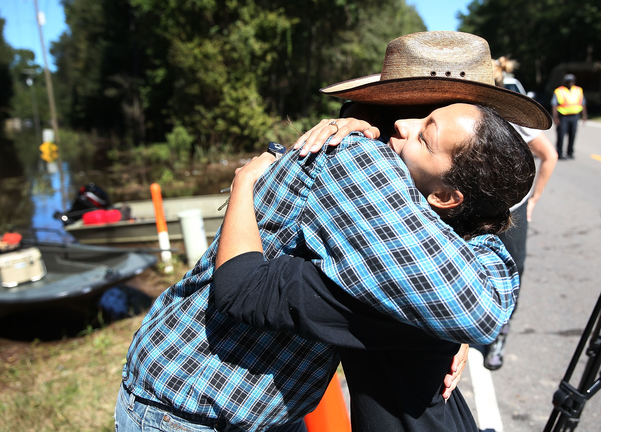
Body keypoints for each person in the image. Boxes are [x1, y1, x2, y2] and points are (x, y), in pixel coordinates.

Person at [115, 31, 551, 432]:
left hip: (250, 405)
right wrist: (450, 327)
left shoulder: (397, 168)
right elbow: (477, 307)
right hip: (191, 409)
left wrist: (445, 333)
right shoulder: (361, 162)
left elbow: (441, 280)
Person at [212, 98, 547, 431]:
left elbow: (241, 287)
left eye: (424, 137)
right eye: (418, 113)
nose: (404, 125)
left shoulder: (397, 277)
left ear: (445, 197)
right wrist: (358, 117)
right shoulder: (465, 256)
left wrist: (244, 182)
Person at [481, 58, 559, 371]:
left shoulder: (513, 114)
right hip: (472, 209)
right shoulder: (457, 112)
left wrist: (534, 200)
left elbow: (549, 156)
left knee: (512, 270)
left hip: (512, 210)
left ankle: (500, 331)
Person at [551, 73, 587, 159]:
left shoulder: (578, 90)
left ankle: (570, 152)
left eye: (572, 81)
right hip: (563, 116)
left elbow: (583, 103)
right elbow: (554, 105)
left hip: (575, 116)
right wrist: (555, 117)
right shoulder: (559, 91)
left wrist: (584, 115)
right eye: (568, 81)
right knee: (561, 134)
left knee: (572, 134)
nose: (570, 83)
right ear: (565, 82)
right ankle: (559, 153)